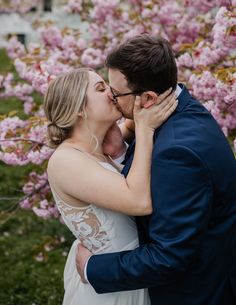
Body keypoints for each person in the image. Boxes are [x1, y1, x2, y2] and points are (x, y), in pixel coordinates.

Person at [76, 34, 236, 305]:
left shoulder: (177, 153)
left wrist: (92, 268)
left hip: (196, 293)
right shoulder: (179, 105)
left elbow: (168, 258)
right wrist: (124, 144)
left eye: (116, 93)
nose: (112, 99)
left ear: (148, 98)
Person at [44, 67, 177, 305]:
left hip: (132, 273)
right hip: (111, 290)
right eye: (100, 88)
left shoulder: (99, 150)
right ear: (78, 109)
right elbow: (139, 202)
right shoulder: (66, 161)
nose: (112, 92)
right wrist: (145, 129)